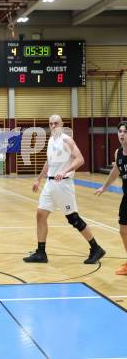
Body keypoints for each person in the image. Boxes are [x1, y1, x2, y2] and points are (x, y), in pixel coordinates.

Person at [23, 115, 105, 264]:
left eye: (56, 123)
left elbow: (80, 159)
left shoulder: (67, 140)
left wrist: (65, 170)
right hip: (50, 184)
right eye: (51, 124)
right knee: (40, 215)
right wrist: (39, 179)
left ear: (62, 124)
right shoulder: (51, 140)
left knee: (73, 219)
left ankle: (96, 248)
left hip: (63, 185)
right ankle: (41, 253)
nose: (53, 126)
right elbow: (49, 162)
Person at [95, 121, 127, 274]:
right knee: (123, 230)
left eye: (125, 131)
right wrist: (104, 186)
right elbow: (115, 171)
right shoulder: (118, 153)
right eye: (120, 131)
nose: (122, 134)